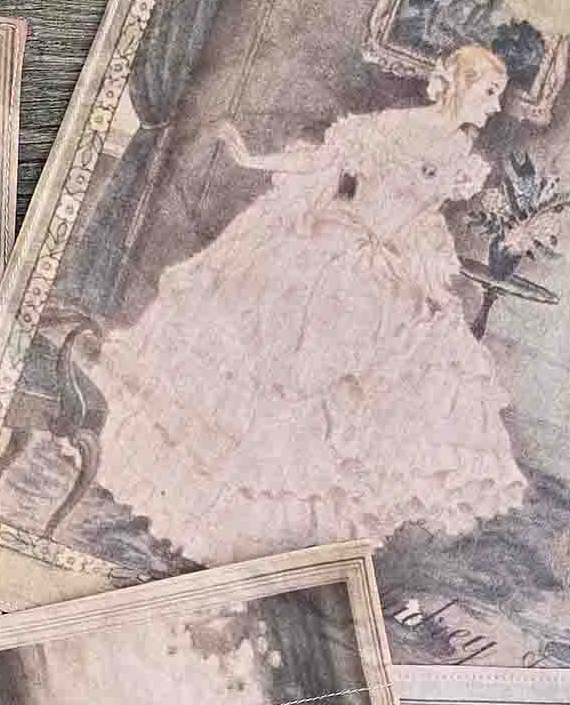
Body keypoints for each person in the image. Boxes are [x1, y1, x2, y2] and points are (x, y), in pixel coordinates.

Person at [89, 42, 526, 565]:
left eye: (498, 94)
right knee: (283, 369)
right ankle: (218, 513)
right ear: (459, 82)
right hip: (339, 251)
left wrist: (428, 273)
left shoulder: (464, 157)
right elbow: (323, 162)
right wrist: (252, 158)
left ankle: (292, 538)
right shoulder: (393, 124)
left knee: (376, 391)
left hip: (390, 273)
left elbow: (426, 222)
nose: (496, 106)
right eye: (490, 91)